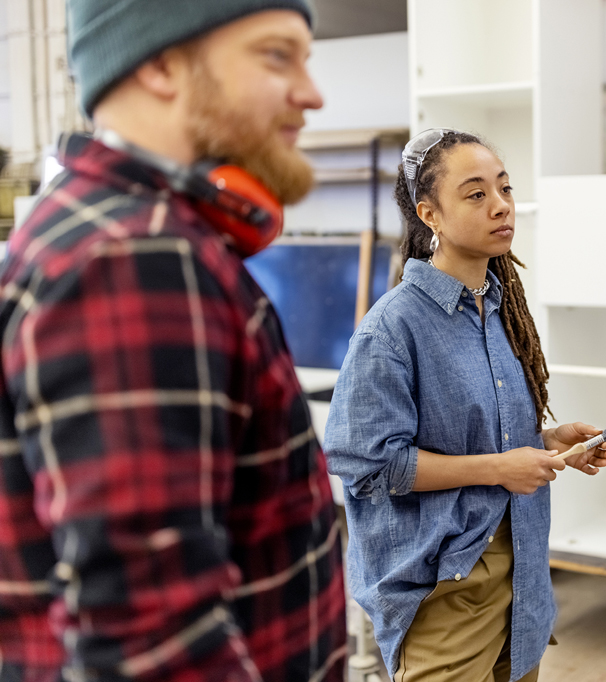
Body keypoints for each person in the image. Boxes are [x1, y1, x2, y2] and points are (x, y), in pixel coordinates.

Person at [0, 3, 346, 681]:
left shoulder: (99, 229)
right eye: (277, 56)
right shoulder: (134, 256)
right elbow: (151, 645)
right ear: (160, 64)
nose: (312, 93)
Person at [325, 128, 606, 682]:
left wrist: (547, 447)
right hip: (446, 586)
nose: (501, 205)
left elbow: (481, 436)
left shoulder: (500, 311)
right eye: (476, 194)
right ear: (429, 214)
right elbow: (367, 465)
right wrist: (502, 468)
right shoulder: (393, 326)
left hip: (522, 577)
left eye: (504, 189)